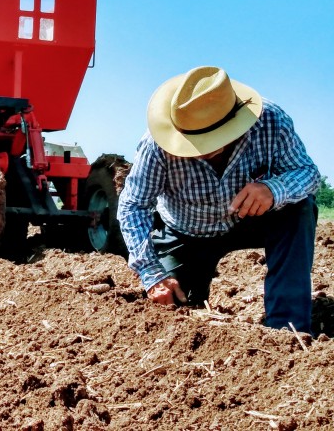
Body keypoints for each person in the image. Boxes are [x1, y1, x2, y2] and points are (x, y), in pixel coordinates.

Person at [117, 65, 321, 333]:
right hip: (186, 231)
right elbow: (133, 205)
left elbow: (307, 173)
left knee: (299, 208)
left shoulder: (271, 121)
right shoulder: (156, 145)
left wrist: (273, 189)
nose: (199, 152)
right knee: (174, 309)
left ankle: (288, 329)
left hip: (249, 221)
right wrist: (152, 273)